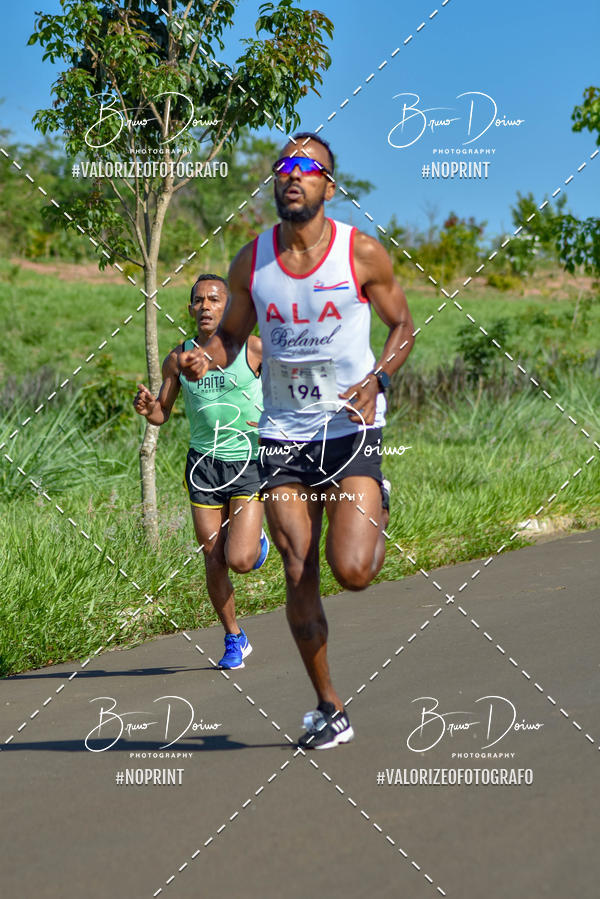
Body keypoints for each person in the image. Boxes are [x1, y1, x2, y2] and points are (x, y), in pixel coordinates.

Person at [179, 135, 414, 747]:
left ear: (329, 186)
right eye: (283, 165)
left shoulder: (361, 253)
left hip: (348, 427)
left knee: (353, 571)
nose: (293, 173)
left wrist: (379, 378)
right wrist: (207, 358)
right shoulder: (251, 262)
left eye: (308, 167)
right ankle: (328, 706)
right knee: (297, 566)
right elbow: (230, 337)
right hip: (282, 433)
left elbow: (403, 325)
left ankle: (380, 498)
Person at [133, 274, 269, 670]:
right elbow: (162, 413)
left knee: (239, 559)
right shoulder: (178, 358)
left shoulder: (253, 349)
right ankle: (234, 638)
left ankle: (256, 543)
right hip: (203, 467)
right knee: (212, 555)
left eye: (214, 299)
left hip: (248, 462)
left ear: (229, 307)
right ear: (191, 308)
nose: (205, 306)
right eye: (199, 300)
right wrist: (149, 409)